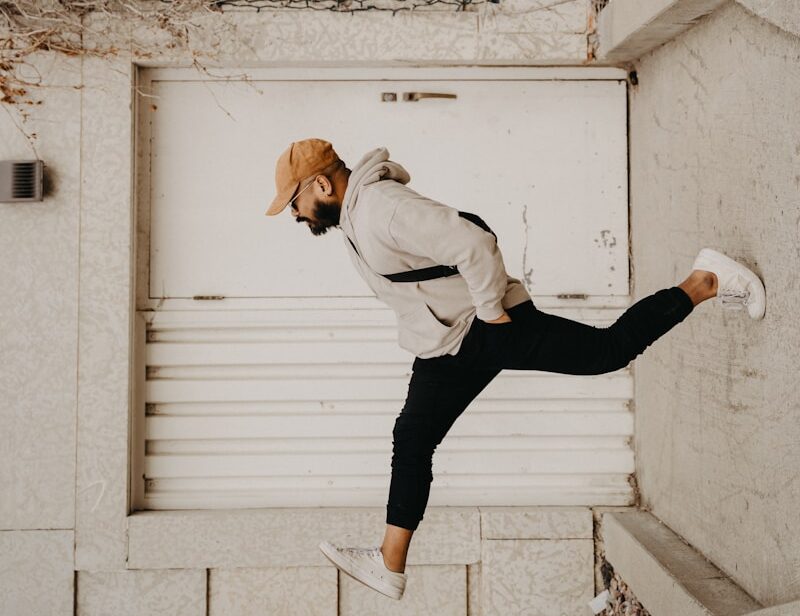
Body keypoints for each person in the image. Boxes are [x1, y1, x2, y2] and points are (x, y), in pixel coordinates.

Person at [266, 138, 766, 601]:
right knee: (413, 438)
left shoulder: (381, 210)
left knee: (607, 352)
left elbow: (473, 243)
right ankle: (389, 562)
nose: (293, 214)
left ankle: (705, 280)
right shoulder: (356, 220)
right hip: (449, 342)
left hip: (480, 331)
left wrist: (493, 314)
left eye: (294, 202)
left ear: (323, 185)